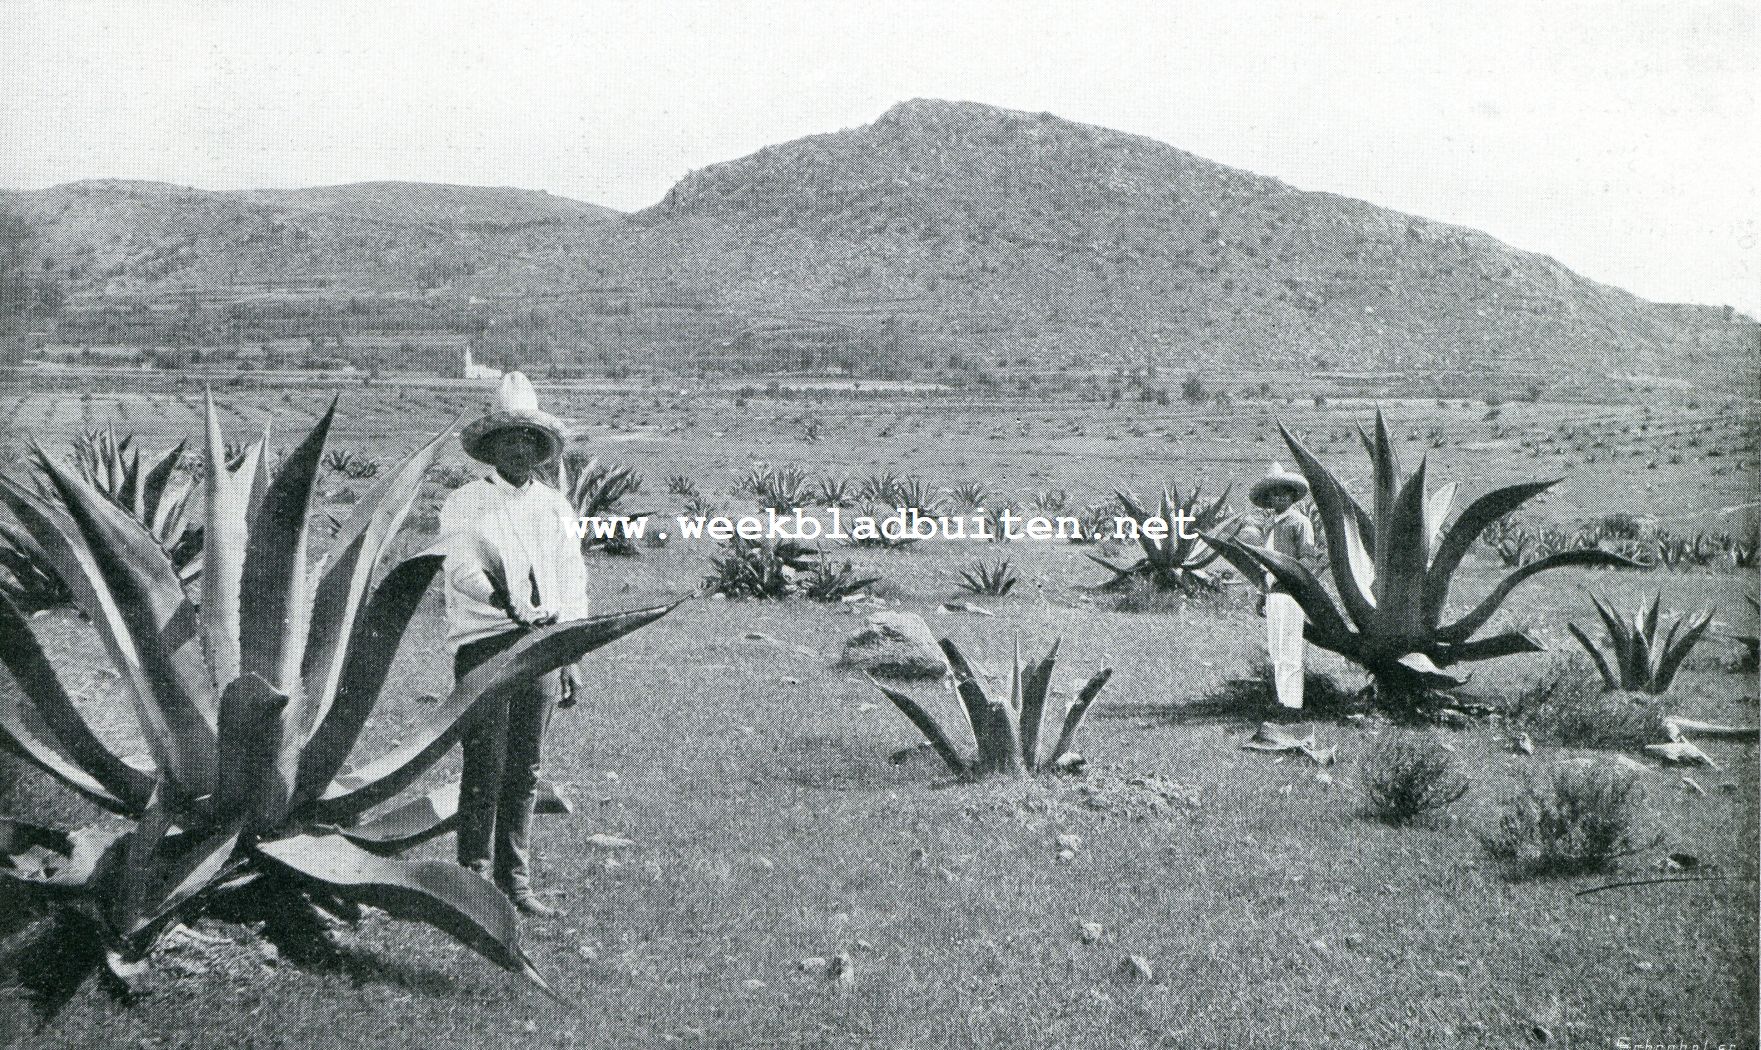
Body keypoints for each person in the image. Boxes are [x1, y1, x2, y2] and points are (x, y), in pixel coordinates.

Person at [437, 371, 589, 918]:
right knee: (485, 761)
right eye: (510, 438)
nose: (520, 448)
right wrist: (509, 603)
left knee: (525, 767)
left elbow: (572, 580)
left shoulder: (554, 507)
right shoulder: (463, 503)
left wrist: (571, 650)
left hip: (545, 646)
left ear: (541, 447)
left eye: (530, 438)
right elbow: (460, 571)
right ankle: (472, 879)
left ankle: (515, 880)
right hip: (486, 644)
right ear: (491, 446)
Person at [1249, 463, 1317, 710]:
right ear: (1268, 498)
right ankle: (1281, 700)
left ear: (1292, 495)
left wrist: (1287, 577)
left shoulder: (1300, 523)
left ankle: (1293, 704)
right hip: (1273, 595)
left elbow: (1308, 559)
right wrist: (1261, 593)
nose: (1278, 497)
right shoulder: (1271, 526)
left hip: (1290, 594)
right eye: (1273, 494)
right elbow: (1263, 565)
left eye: (1283, 492)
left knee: (1289, 649)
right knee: (1277, 649)